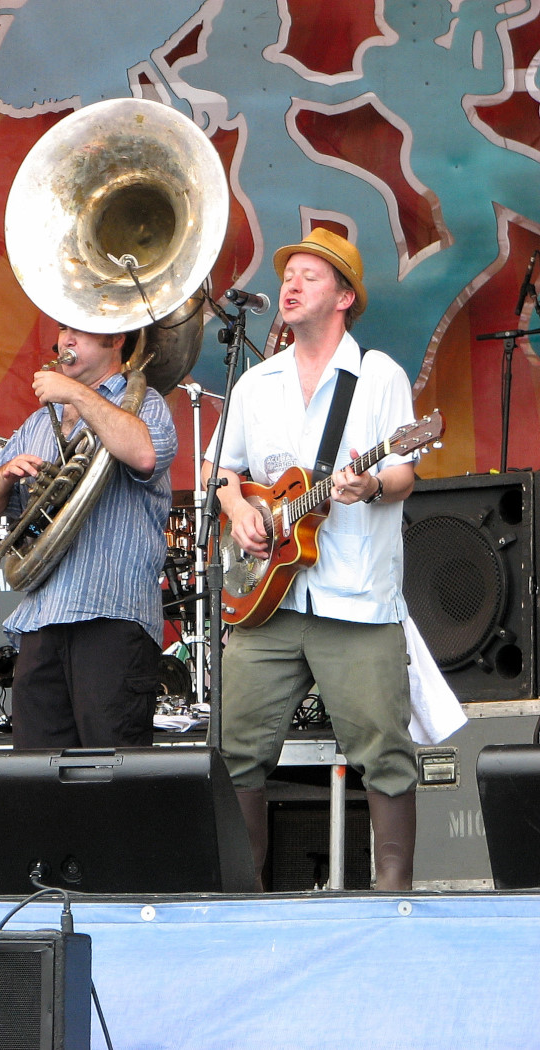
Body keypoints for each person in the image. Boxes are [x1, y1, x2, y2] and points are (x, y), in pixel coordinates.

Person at [204, 228, 419, 891]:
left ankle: (393, 901)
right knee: (237, 753)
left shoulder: (378, 376)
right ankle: (244, 902)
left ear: (345, 296)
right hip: (267, 603)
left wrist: (371, 484)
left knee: (382, 754)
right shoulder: (255, 384)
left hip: (354, 599)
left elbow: (405, 472)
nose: (291, 285)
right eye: (289, 273)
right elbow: (222, 473)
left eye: (311, 276)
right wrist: (239, 511)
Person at [0, 321, 177, 749]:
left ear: (116, 339)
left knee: (112, 779)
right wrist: (6, 476)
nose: (66, 339)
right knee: (39, 780)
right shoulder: (37, 424)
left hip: (111, 615)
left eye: (79, 330)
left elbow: (143, 453)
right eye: (63, 329)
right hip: (42, 618)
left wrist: (78, 395)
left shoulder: (145, 403)